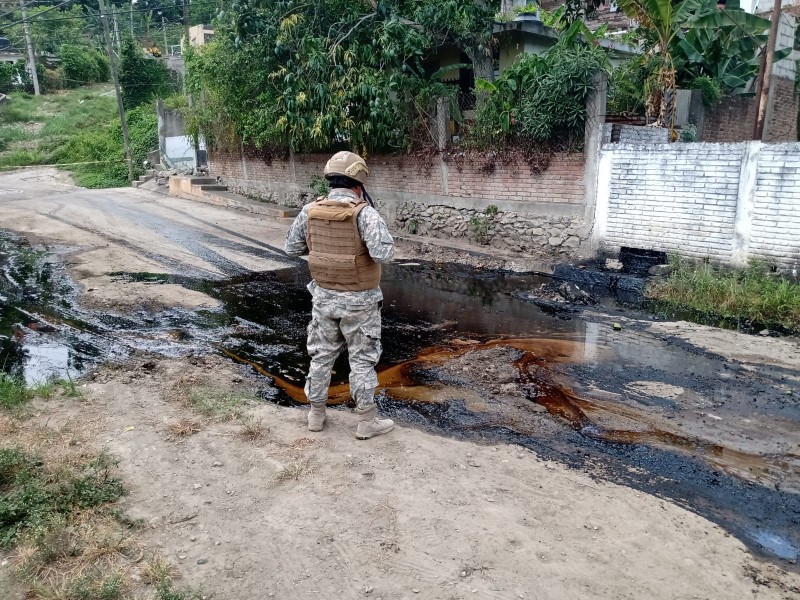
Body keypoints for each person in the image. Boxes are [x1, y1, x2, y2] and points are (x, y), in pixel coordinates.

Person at [284, 151, 395, 440]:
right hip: (360, 302)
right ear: (359, 183)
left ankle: (316, 416)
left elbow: (291, 249)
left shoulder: (310, 211)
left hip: (323, 298)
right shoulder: (365, 213)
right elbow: (383, 253)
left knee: (320, 357)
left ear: (330, 181)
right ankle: (366, 422)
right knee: (361, 360)